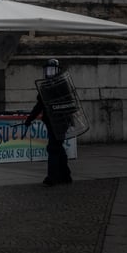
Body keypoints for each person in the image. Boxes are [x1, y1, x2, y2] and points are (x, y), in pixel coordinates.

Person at [24, 59, 73, 187]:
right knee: (58, 148)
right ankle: (65, 175)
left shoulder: (62, 85)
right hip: (51, 122)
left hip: (61, 121)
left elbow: (70, 103)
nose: (50, 72)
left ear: (57, 71)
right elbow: (40, 105)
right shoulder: (45, 86)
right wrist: (30, 119)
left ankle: (52, 177)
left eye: (52, 70)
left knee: (53, 148)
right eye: (48, 70)